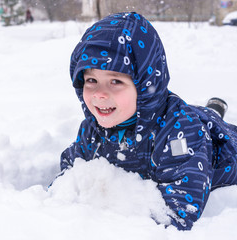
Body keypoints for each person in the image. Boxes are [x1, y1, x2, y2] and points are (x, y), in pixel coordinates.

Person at [60, 12, 237, 230]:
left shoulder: (180, 132)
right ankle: (214, 108)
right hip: (176, 116)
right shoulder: (91, 130)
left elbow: (179, 211)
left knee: (208, 122)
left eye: (115, 81)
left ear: (145, 85)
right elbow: (70, 170)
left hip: (221, 145)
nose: (99, 94)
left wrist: (103, 217)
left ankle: (214, 111)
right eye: (91, 80)